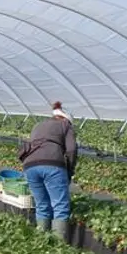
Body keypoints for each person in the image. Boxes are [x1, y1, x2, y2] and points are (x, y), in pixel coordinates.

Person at [19, 101, 78, 239]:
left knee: (42, 205)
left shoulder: (38, 125)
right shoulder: (66, 125)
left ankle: (42, 242)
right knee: (60, 206)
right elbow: (71, 149)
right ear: (66, 119)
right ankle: (58, 245)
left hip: (30, 166)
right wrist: (69, 171)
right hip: (53, 165)